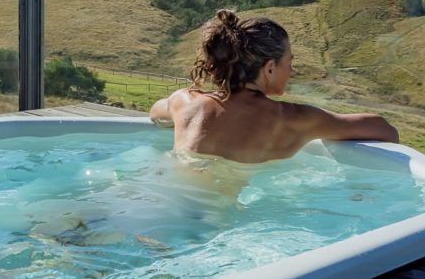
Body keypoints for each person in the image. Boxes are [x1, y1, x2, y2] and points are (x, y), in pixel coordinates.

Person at [150, 9, 398, 164]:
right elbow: (385, 130)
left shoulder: (185, 101)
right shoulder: (291, 119)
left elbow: (155, 113)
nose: (292, 70)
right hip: (204, 224)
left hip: (152, 193)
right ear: (269, 68)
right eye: (289, 62)